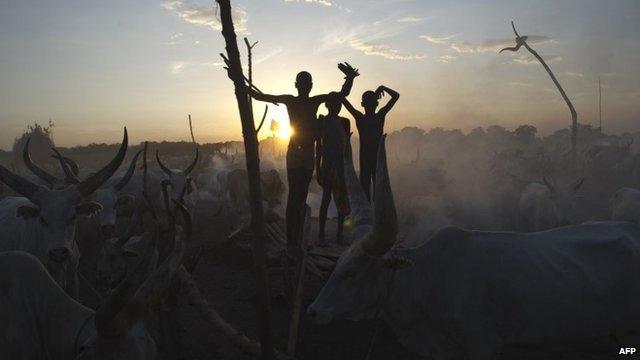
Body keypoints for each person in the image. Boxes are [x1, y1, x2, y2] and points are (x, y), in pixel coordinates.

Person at [248, 63, 359, 255]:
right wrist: (240, 83)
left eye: (307, 83)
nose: (305, 86)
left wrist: (350, 78)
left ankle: (297, 241)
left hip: (307, 153)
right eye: (303, 83)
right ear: (298, 85)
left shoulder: (312, 101)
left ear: (310, 85)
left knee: (300, 197)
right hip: (295, 152)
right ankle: (292, 242)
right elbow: (261, 96)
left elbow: (340, 97)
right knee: (294, 196)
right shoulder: (291, 100)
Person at [343, 85, 399, 201]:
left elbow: (343, 99)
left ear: (362, 104)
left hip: (369, 158)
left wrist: (349, 81)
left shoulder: (361, 117)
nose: (369, 105)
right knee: (374, 190)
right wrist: (383, 88)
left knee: (368, 190)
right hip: (373, 158)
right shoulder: (379, 116)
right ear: (376, 104)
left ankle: (370, 215)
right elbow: (395, 96)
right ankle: (372, 215)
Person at [316, 93, 351, 246]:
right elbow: (319, 146)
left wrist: (349, 167)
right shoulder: (322, 122)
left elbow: (347, 146)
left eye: (339, 104)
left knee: (342, 201)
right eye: (333, 104)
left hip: (341, 165)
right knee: (326, 198)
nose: (337, 107)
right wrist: (317, 168)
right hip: (328, 164)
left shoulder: (345, 122)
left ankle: (339, 235)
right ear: (327, 105)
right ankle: (321, 234)